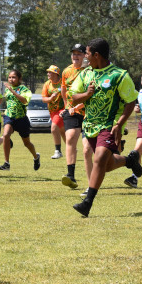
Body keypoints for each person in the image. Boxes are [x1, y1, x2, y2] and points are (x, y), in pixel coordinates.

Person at [71, 38, 140, 217]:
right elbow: (74, 97)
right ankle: (129, 160)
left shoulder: (119, 75)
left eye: (87, 53)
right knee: (107, 165)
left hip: (110, 125)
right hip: (90, 125)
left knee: (100, 159)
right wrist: (86, 94)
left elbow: (131, 101)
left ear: (96, 55)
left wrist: (119, 123)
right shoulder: (85, 74)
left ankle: (87, 203)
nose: (85, 57)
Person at [0, 70, 41, 171]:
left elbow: (25, 100)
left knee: (27, 143)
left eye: (13, 77)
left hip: (21, 119)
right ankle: (6, 163)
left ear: (19, 79)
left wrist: (13, 91)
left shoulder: (24, 89)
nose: (11, 80)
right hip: (9, 116)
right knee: (5, 135)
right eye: (9, 77)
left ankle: (36, 157)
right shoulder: (7, 89)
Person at [60, 44, 89, 189]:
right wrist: (67, 107)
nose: (75, 56)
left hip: (89, 112)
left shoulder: (90, 71)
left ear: (85, 55)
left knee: (87, 148)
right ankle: (71, 175)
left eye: (78, 53)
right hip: (72, 111)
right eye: (73, 53)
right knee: (70, 138)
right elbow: (64, 90)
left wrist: (80, 105)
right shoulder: (67, 71)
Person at [41, 65, 65, 159]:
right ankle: (71, 148)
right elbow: (43, 99)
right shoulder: (47, 84)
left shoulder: (63, 82)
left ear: (56, 74)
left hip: (61, 110)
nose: (48, 74)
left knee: (54, 128)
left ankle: (57, 151)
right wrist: (51, 98)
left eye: (50, 72)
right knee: (62, 131)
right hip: (52, 111)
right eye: (48, 72)